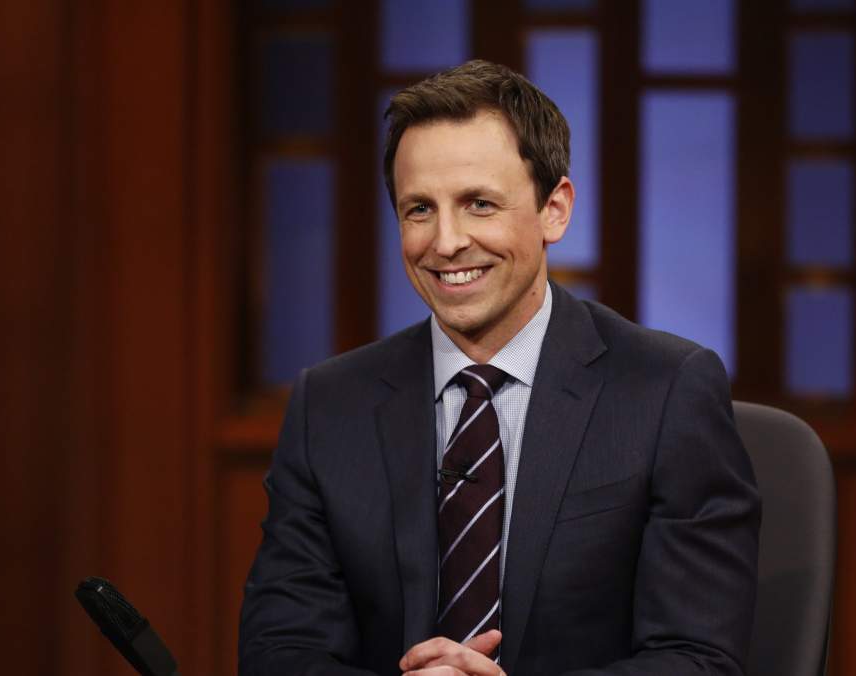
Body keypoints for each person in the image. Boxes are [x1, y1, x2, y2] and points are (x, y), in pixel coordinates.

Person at [238, 59, 760, 676]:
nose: (446, 242)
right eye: (419, 209)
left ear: (554, 209)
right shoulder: (329, 406)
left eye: (479, 204)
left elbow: (698, 660)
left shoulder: (666, 390)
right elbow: (279, 651)